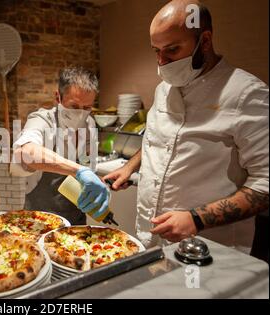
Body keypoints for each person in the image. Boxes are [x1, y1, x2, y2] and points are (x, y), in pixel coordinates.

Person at [103, 0, 269, 248]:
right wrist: (130, 167)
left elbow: (265, 182)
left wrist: (196, 218)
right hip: (151, 236)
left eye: (171, 50)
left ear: (205, 41)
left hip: (209, 246)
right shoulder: (163, 90)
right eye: (155, 51)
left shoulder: (246, 94)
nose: (161, 61)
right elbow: (158, 138)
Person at [10, 67, 110, 225]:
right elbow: (26, 153)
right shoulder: (42, 119)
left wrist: (99, 184)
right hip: (39, 222)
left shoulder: (90, 125)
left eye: (87, 108)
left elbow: (86, 166)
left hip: (76, 220)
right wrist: (79, 171)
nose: (81, 114)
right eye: (74, 107)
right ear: (58, 97)